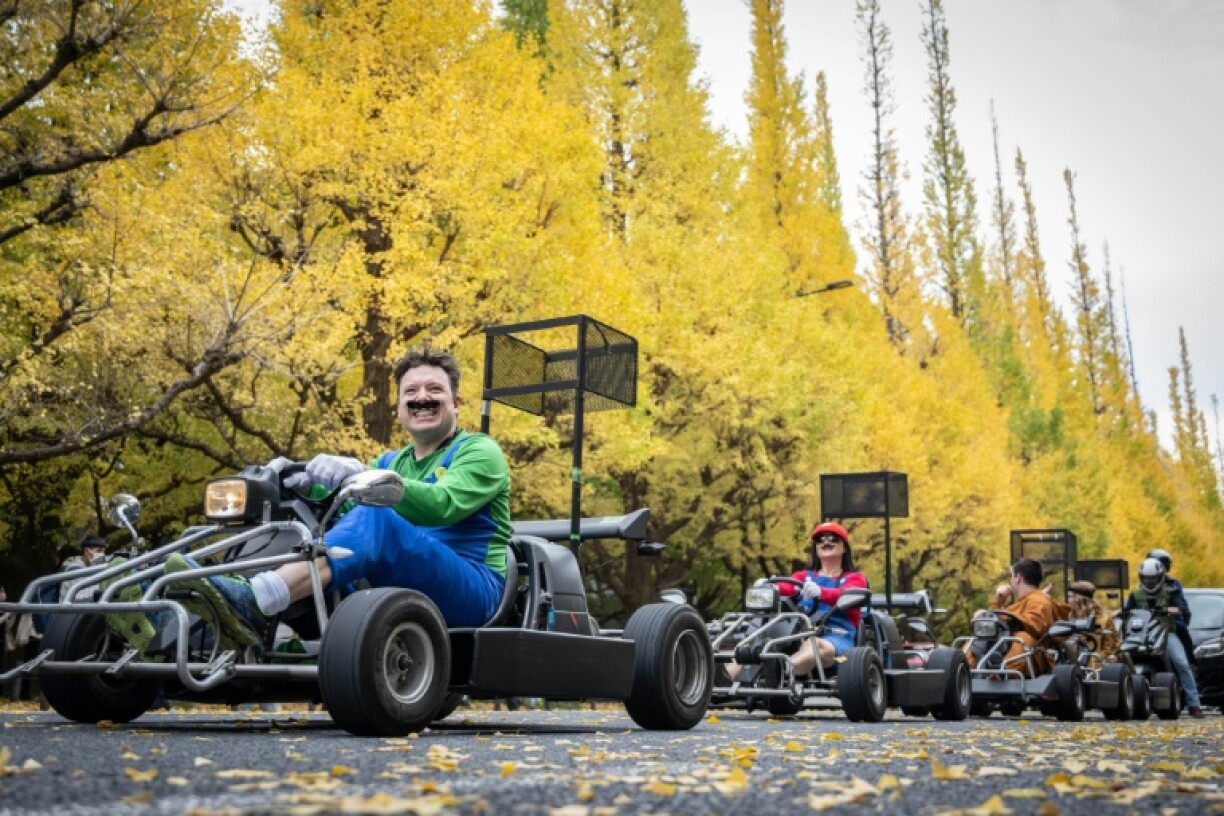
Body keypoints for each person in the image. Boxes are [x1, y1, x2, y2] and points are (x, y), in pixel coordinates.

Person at [152, 347, 512, 650]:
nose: (422, 398)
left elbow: (442, 504)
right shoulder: (392, 461)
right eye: (411, 392)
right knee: (296, 525)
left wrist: (358, 473)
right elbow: (345, 505)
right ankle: (171, 611)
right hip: (395, 579)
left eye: (434, 390)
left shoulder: (479, 450)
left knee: (378, 511)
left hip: (473, 586)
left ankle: (256, 599)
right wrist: (302, 482)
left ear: (457, 403)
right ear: (400, 406)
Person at [727, 521, 868, 681]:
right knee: (750, 641)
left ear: (844, 548)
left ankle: (781, 670)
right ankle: (719, 682)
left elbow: (846, 594)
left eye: (833, 538)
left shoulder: (855, 578)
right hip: (796, 633)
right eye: (820, 539)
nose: (826, 541)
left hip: (835, 636)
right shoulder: (803, 577)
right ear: (816, 548)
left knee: (814, 644)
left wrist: (821, 592)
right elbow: (787, 586)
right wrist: (769, 586)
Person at [1116, 557, 1205, 718]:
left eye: (1153, 578)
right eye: (1146, 578)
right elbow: (1128, 609)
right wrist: (1119, 612)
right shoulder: (1136, 594)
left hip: (1166, 632)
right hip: (1141, 633)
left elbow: (1183, 608)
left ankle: (1194, 704)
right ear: (1141, 577)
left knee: (1182, 663)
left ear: (1161, 576)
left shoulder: (1171, 590)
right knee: (1120, 656)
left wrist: (1175, 610)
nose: (1150, 581)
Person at [965, 557, 1068, 677]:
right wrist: (997, 601)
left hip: (1035, 654)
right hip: (1006, 649)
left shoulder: (1040, 600)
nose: (1011, 581)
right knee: (978, 639)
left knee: (1022, 637)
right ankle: (963, 672)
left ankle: (1003, 675)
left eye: (1012, 577)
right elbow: (996, 624)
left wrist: (1003, 616)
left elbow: (1035, 625)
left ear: (1018, 578)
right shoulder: (1020, 603)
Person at [1066, 580, 1120, 661]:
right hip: (1075, 663)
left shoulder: (1104, 620)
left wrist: (1095, 659)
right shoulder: (1071, 616)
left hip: (1097, 665)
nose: (1068, 601)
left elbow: (1112, 648)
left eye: (1070, 597)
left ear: (1079, 599)